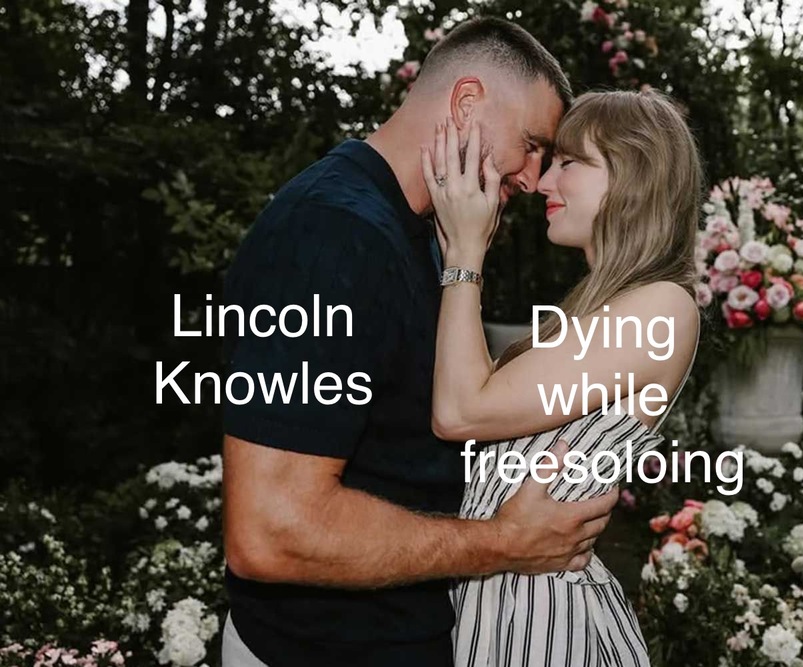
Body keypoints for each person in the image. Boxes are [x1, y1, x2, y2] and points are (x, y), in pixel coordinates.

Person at [219, 17, 619, 667]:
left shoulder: (421, 232)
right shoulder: (333, 233)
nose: (533, 177)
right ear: (466, 102)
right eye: (532, 145)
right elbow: (270, 530)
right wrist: (505, 541)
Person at [421, 89, 703, 666]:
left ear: (632, 175)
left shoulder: (664, 306)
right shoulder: (600, 308)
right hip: (503, 597)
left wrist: (466, 256)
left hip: (540, 618)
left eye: (569, 162)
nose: (544, 182)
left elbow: (460, 411)